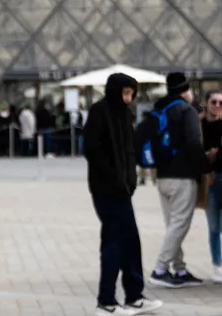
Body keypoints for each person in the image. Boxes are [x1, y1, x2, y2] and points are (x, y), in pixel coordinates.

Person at [83, 73, 163, 315]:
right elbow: (92, 151)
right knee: (114, 243)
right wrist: (115, 179)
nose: (128, 98)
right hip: (106, 190)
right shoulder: (100, 112)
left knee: (130, 241)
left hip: (123, 190)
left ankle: (134, 296)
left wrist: (129, 181)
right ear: (115, 91)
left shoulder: (125, 114)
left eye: (131, 94)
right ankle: (106, 301)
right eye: (125, 93)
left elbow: (129, 151)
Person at [138, 71, 206, 288]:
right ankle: (160, 269)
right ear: (186, 92)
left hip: (162, 176)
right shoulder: (187, 111)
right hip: (183, 176)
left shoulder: (160, 109)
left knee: (172, 225)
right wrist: (204, 167)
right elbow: (194, 144)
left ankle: (180, 268)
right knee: (179, 225)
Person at [200, 90, 222, 283]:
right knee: (213, 226)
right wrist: (207, 155)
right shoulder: (199, 124)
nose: (218, 106)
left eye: (221, 103)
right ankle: (217, 264)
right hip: (207, 178)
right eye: (214, 101)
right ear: (206, 103)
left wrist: (217, 154)